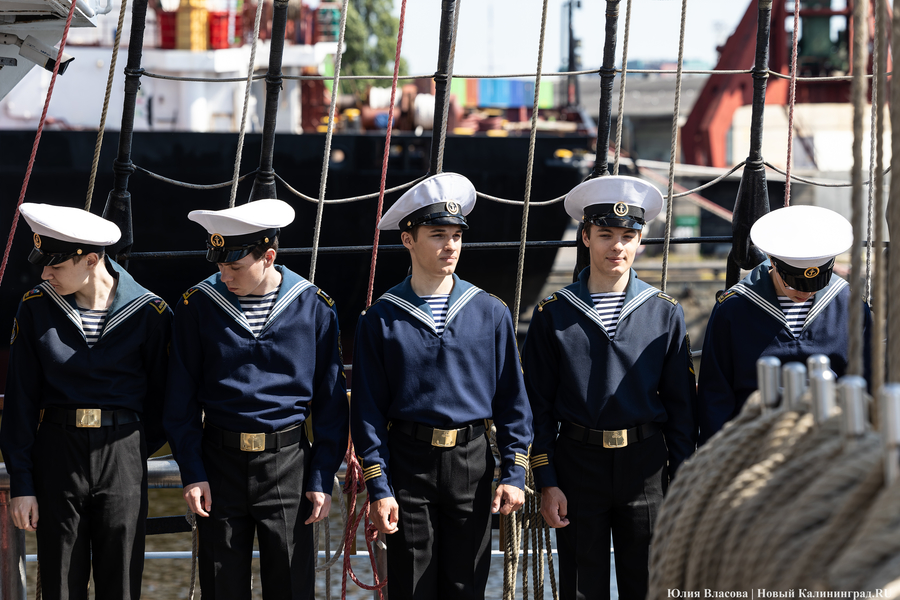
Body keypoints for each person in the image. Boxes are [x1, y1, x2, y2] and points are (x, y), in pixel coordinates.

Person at [350, 172, 534, 600]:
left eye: (455, 235)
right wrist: (379, 486)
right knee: (411, 588)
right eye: (437, 234)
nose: (450, 245)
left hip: (471, 463)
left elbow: (512, 401)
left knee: (464, 587)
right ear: (408, 240)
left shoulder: (490, 312)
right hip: (408, 466)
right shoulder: (381, 319)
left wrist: (515, 471)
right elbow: (368, 412)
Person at [521, 176, 697, 600]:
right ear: (585, 236)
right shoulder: (554, 315)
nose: (617, 246)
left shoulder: (663, 314)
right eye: (605, 235)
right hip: (578, 466)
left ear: (639, 241)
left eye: (628, 236)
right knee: (581, 587)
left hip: (648, 467)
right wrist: (547, 480)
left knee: (651, 585)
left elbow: (682, 408)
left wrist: (684, 481)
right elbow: (537, 408)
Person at [163, 199, 348, 600]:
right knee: (220, 586)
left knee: (292, 587)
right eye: (219, 265)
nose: (224, 275)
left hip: (289, 465)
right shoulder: (197, 307)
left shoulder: (314, 306)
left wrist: (320, 477)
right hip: (218, 465)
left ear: (268, 256)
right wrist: (192, 470)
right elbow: (180, 400)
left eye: (234, 266)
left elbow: (331, 403)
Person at [0, 203, 171, 599]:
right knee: (59, 584)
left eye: (55, 266)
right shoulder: (35, 308)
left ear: (91, 260)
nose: (44, 273)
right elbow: (21, 403)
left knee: (122, 583)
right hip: (58, 452)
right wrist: (23, 482)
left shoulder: (149, 312)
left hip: (123, 453)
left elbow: (165, 399)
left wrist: (131, 448)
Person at [697, 204, 872, 444]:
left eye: (815, 283)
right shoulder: (733, 310)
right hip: (753, 441)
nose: (804, 292)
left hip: (831, 442)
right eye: (794, 283)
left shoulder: (849, 306)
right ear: (772, 260)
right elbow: (716, 395)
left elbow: (869, 381)